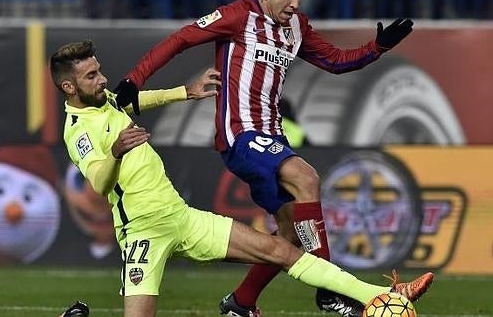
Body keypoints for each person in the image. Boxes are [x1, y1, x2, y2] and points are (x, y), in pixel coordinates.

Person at [50, 40, 432, 317]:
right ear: (70, 88)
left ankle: (382, 296)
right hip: (142, 232)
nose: (102, 79)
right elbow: (98, 180)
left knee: (282, 250)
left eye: (99, 70)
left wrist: (186, 92)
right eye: (92, 75)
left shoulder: (108, 101)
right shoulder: (77, 130)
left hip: (183, 218)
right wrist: (116, 150)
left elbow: (138, 99)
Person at [113, 0, 414, 316]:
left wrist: (377, 47)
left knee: (292, 230)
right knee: (306, 177)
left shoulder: (297, 26)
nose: (294, 2)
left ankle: (241, 302)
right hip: (239, 135)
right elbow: (182, 38)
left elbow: (336, 61)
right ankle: (329, 292)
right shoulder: (237, 16)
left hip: (273, 136)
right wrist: (135, 78)